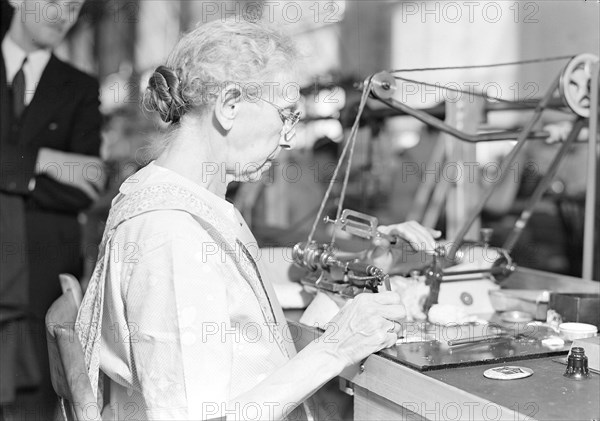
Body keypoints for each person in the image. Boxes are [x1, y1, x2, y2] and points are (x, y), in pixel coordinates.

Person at [76, 18, 438, 420]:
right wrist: (335, 348)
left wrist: (369, 268)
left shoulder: (187, 201)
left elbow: (257, 342)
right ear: (229, 106)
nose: (287, 137)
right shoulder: (172, 234)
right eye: (285, 114)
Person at [0, 0, 103, 416]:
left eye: (75, 7)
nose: (65, 14)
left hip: (40, 285)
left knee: (37, 407)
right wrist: (42, 160)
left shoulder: (79, 86)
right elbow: (66, 181)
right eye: (54, 1)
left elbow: (84, 191)